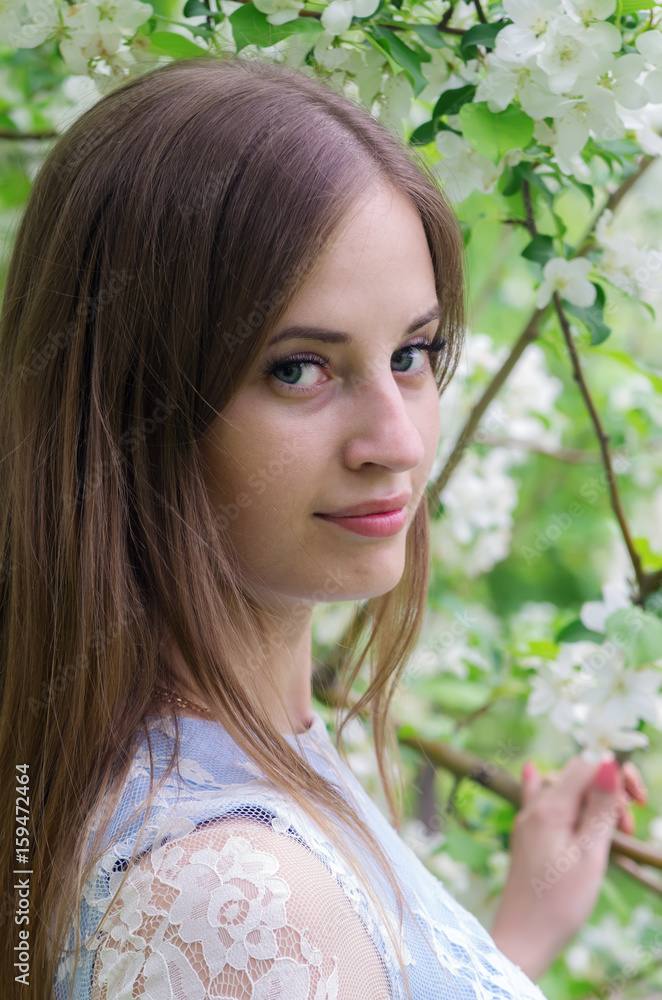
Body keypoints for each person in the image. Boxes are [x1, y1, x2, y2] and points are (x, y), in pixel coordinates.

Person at [0, 54, 647, 1000]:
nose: (398, 442)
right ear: (130, 406)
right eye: (299, 369)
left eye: (413, 353)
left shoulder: (233, 779)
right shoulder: (237, 902)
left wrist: (511, 943)